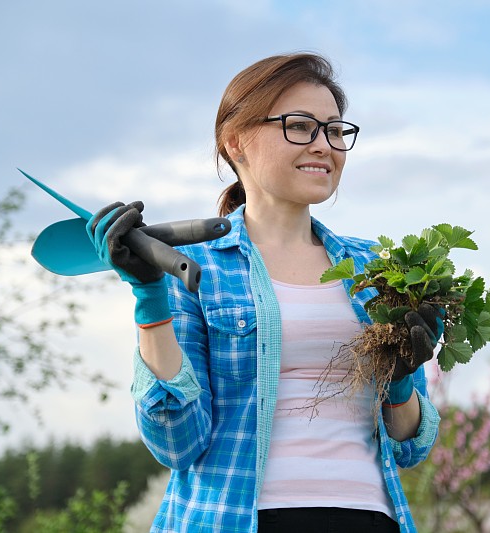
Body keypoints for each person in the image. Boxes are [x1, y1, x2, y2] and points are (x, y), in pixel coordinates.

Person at [88, 52, 441, 533]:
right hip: (234, 518)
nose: (324, 145)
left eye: (335, 131)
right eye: (300, 126)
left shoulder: (378, 269)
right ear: (235, 143)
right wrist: (150, 297)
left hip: (367, 515)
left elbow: (409, 445)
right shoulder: (195, 265)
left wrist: (401, 381)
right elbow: (177, 444)